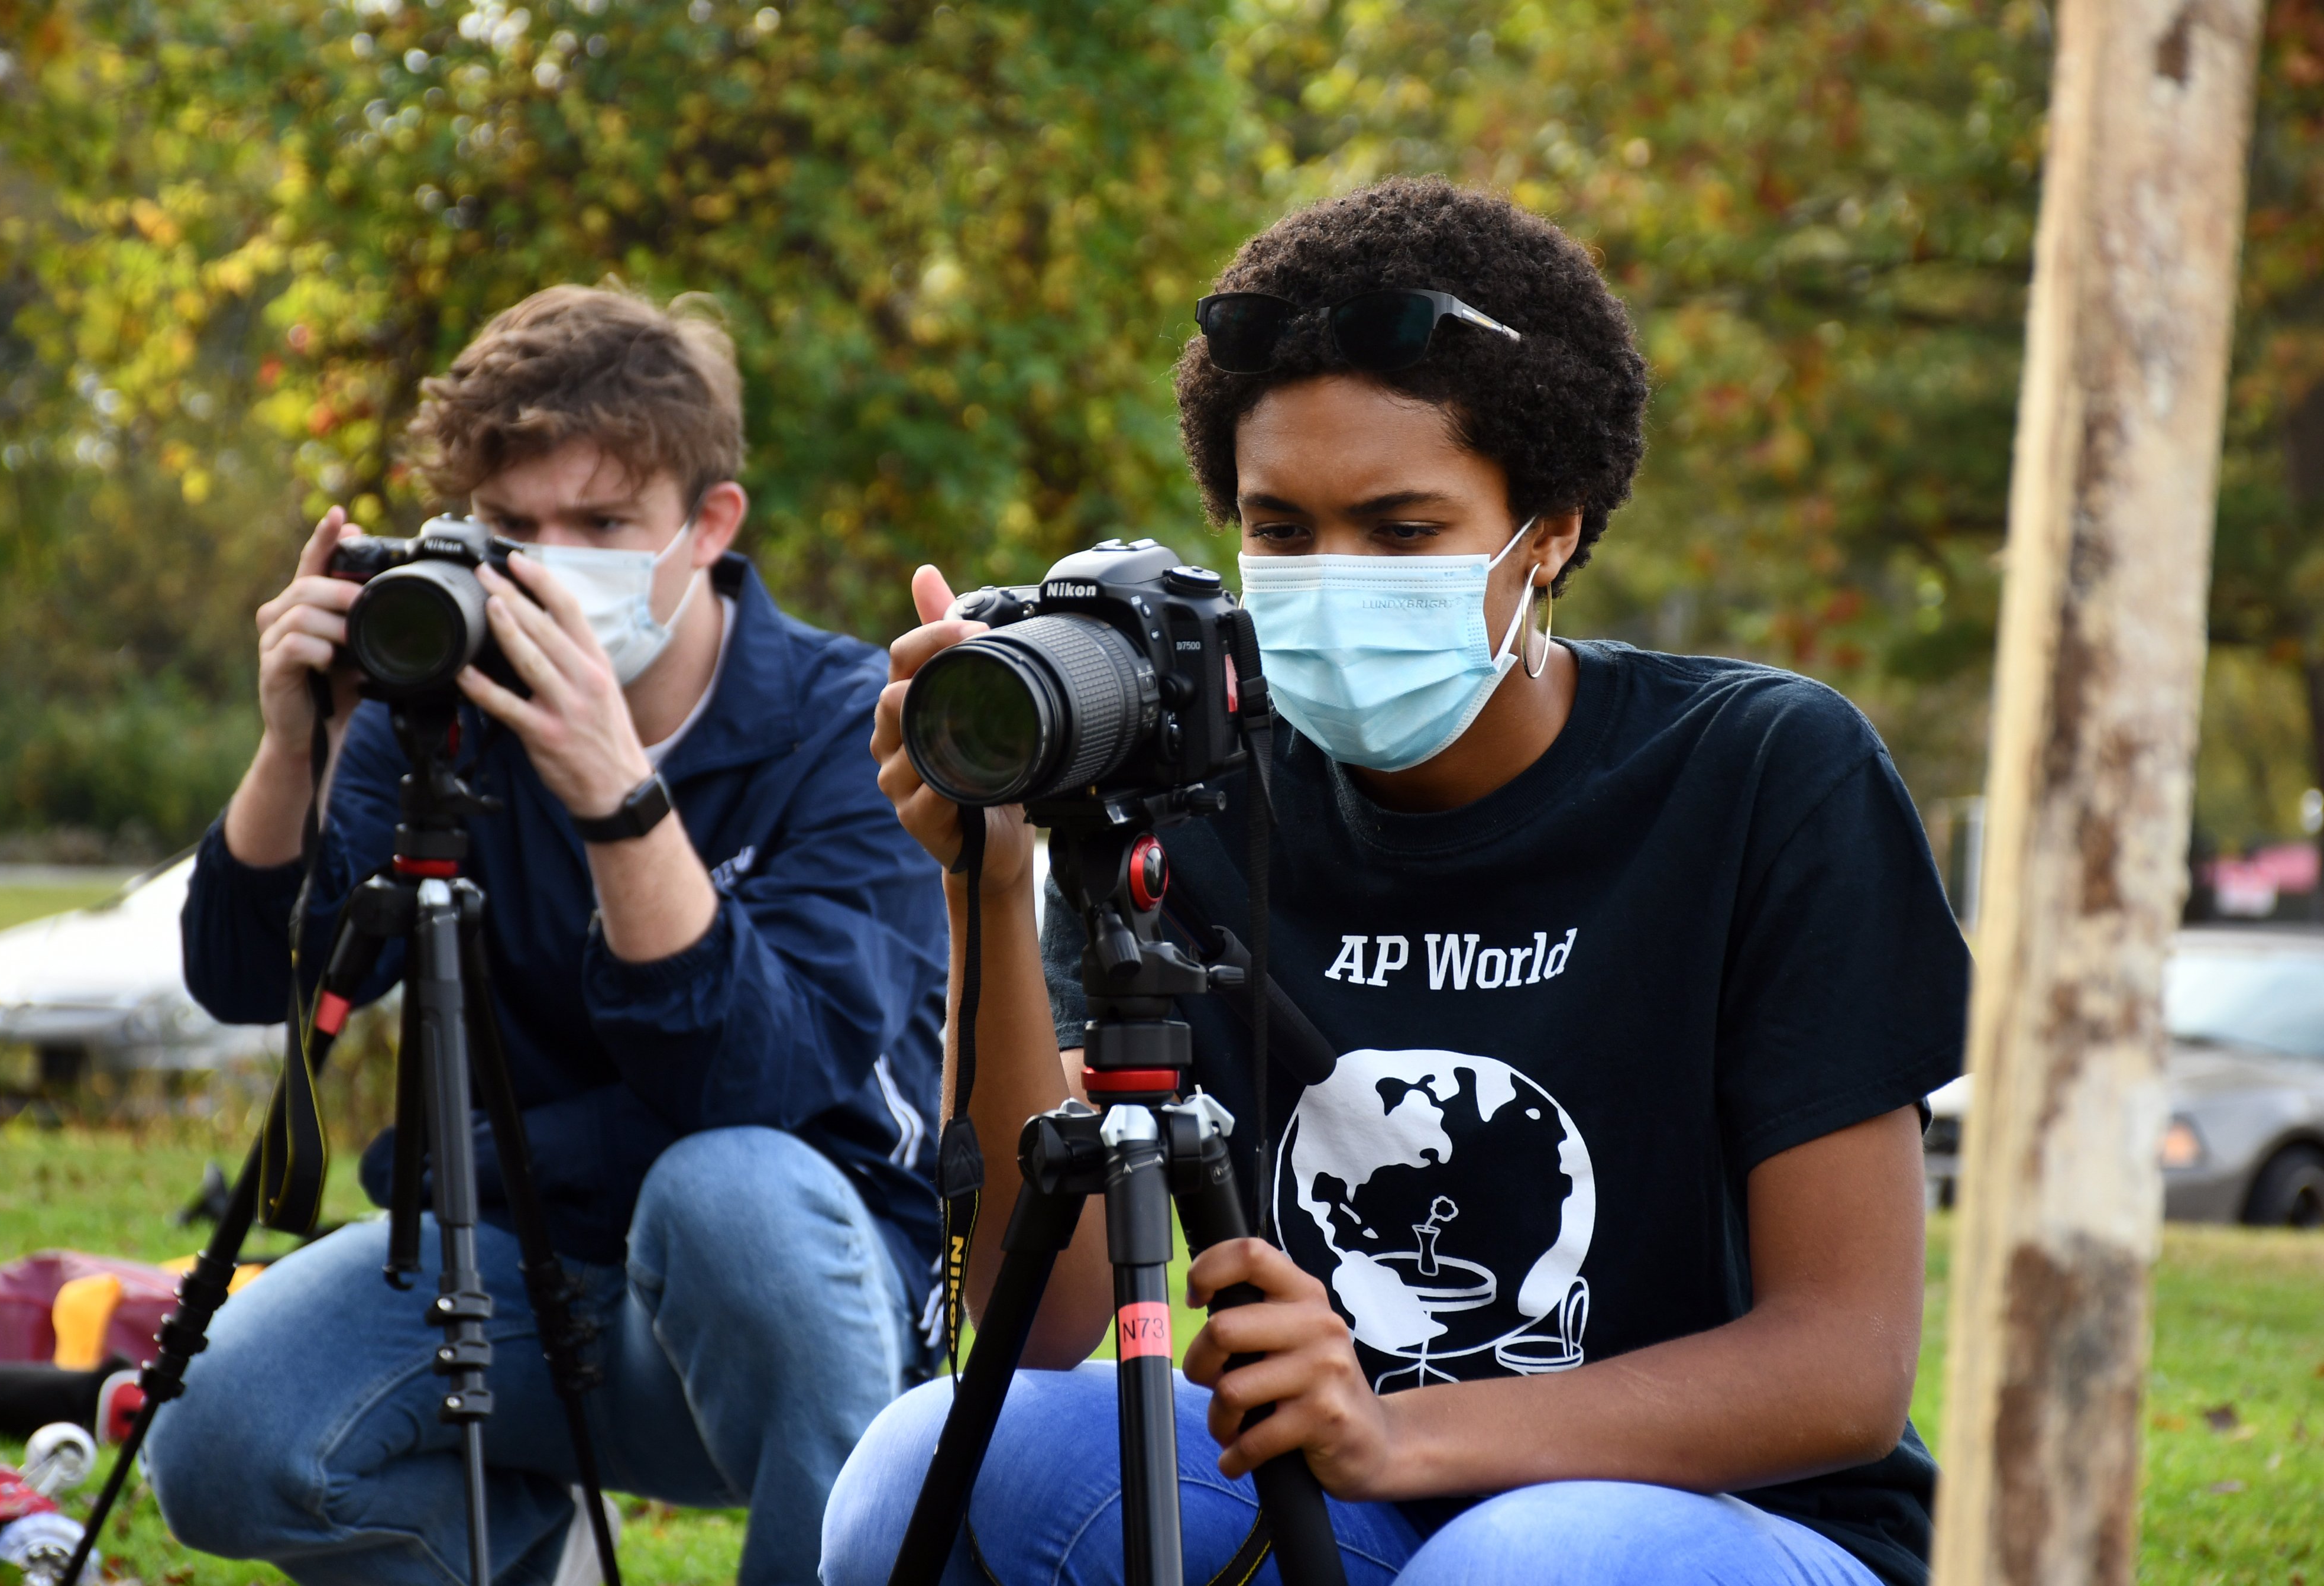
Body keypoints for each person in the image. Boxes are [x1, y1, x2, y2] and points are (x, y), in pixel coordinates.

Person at [826, 177, 1970, 1586]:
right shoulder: (1190, 783)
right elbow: (1035, 1329)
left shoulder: (1757, 772)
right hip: (1348, 1497)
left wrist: (1393, 1433)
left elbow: (1839, 1371)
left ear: (1545, 529)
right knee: (921, 1467)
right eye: (1280, 530)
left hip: (1719, 1526)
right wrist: (989, 884)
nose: (1327, 577)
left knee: (1508, 1567)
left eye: (1401, 527)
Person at [150, 285, 948, 1586]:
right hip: (526, 1280)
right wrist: (297, 746)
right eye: (509, 526)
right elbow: (254, 984)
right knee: (226, 1437)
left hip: (811, 1308)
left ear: (706, 527)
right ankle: (535, 1554)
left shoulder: (845, 724)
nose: (547, 562)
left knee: (726, 1192)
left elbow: (757, 1092)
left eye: (600, 524)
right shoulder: (445, 701)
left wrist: (617, 798)